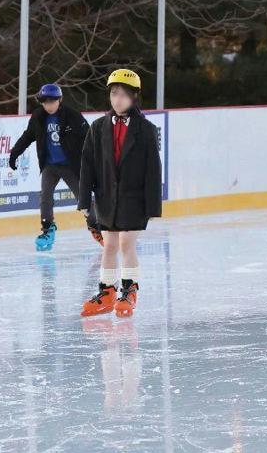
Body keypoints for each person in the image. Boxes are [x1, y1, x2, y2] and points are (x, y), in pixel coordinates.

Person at [78, 69, 162, 318]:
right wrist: (84, 200)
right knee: (109, 244)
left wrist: (153, 205)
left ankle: (129, 290)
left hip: (134, 198)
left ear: (135, 97)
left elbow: (153, 169)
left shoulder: (145, 129)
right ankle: (106, 292)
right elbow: (87, 165)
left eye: (124, 95)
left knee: (126, 242)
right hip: (107, 199)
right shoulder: (97, 127)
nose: (118, 100)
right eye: (115, 94)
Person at [9, 83, 90, 252]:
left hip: (70, 165)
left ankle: (95, 224)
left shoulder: (72, 116)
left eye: (52, 101)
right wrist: (14, 154)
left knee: (83, 199)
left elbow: (89, 137)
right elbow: (27, 136)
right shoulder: (38, 116)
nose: (49, 105)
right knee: (45, 196)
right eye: (45, 102)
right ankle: (47, 229)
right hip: (50, 165)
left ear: (59, 100)